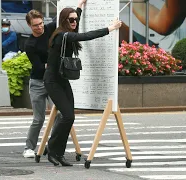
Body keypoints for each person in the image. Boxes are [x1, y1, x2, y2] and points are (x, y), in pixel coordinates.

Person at [43, 7, 122, 166]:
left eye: (76, 19)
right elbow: (86, 36)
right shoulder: (61, 35)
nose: (74, 22)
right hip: (52, 81)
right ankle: (52, 150)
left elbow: (76, 19)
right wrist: (111, 28)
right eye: (71, 20)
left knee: (68, 117)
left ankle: (58, 153)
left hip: (62, 80)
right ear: (64, 20)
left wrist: (80, 6)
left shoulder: (68, 31)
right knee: (68, 116)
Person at [23, 0, 87, 158]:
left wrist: (79, 7)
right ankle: (29, 148)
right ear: (29, 26)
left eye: (41, 23)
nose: (40, 27)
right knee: (38, 119)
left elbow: (68, 21)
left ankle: (51, 145)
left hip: (53, 81)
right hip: (38, 82)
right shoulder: (29, 44)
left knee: (60, 114)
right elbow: (37, 66)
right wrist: (52, 64)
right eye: (36, 25)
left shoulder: (50, 28)